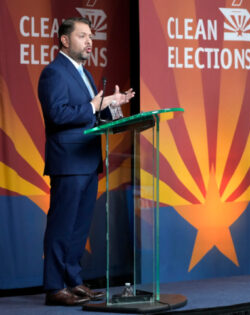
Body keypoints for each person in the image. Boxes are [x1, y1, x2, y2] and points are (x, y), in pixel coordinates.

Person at [38, 17, 135, 306]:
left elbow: (91, 117)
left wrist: (112, 106)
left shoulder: (86, 74)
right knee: (62, 226)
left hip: (88, 161)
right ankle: (55, 287)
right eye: (82, 36)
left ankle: (73, 281)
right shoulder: (54, 73)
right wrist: (94, 104)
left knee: (79, 227)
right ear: (65, 40)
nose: (90, 41)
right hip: (68, 162)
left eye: (91, 36)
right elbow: (58, 115)